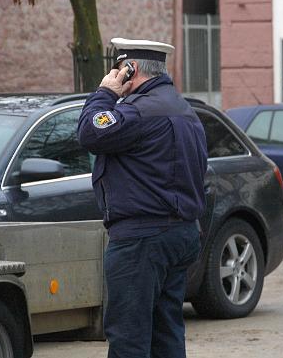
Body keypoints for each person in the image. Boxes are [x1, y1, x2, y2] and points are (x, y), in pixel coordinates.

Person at [77, 37, 208, 358]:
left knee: (129, 337)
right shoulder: (186, 111)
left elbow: (90, 133)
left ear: (130, 69)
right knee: (167, 334)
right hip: (181, 233)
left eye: (120, 69)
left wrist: (105, 93)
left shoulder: (138, 113)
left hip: (141, 240)